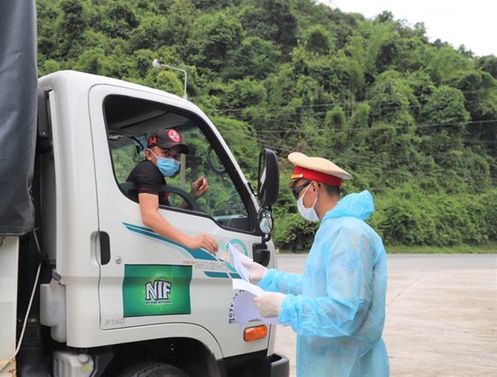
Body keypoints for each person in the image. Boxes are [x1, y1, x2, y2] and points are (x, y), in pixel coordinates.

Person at [245, 152, 389, 376]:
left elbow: (346, 311)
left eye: (297, 191)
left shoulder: (347, 233)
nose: (297, 199)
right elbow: (316, 287)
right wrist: (267, 277)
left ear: (313, 188)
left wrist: (286, 308)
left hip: (346, 366)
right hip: (329, 363)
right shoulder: (333, 230)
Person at [127, 128, 218, 255]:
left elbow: (165, 216)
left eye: (175, 156)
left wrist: (192, 196)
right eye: (165, 153)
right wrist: (189, 241)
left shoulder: (156, 176)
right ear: (148, 154)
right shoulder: (148, 171)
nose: (171, 160)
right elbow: (149, 216)